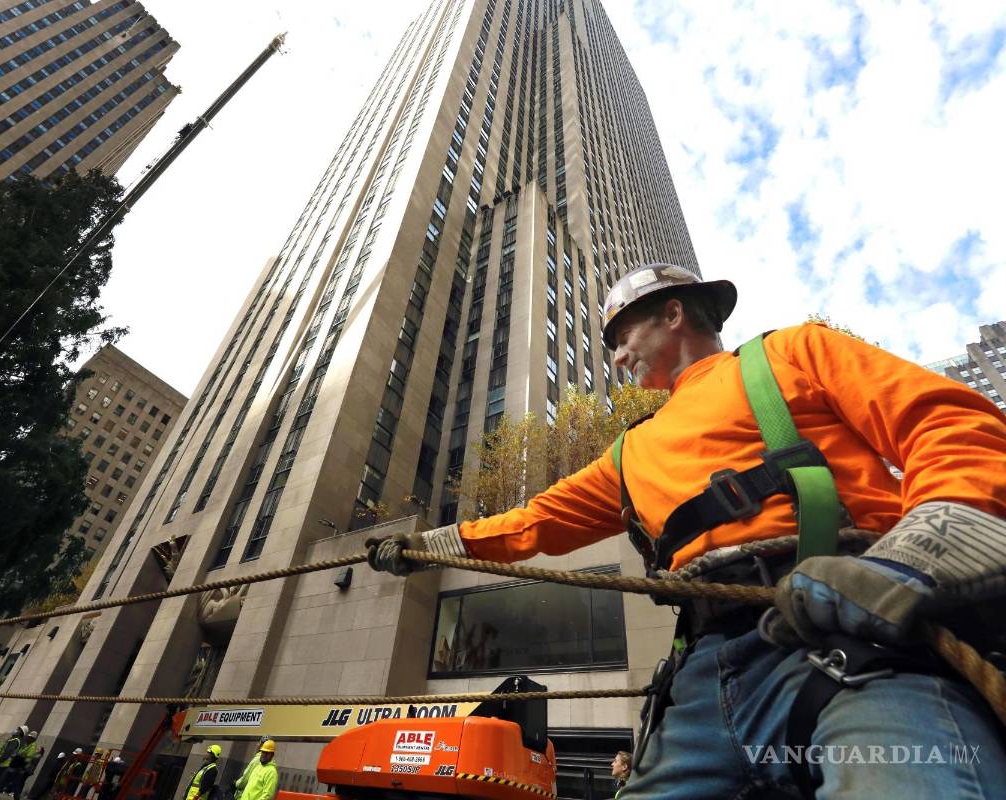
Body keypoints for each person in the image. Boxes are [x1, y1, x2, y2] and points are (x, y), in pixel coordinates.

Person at [367, 263, 1006, 798]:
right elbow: (535, 524)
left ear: (673, 313)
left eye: (622, 334)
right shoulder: (628, 452)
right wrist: (427, 548)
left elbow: (947, 424)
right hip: (702, 682)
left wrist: (915, 556)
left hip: (857, 638)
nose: (615, 356)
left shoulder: (792, 352)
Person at [0, 730, 39, 800]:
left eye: (30, 737)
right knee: (3, 784)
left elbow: (27, 758)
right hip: (14, 767)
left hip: (19, 769)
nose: (28, 738)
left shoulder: (32, 746)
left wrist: (18, 756)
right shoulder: (25, 743)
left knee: (13, 787)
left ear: (33, 739)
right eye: (28, 737)